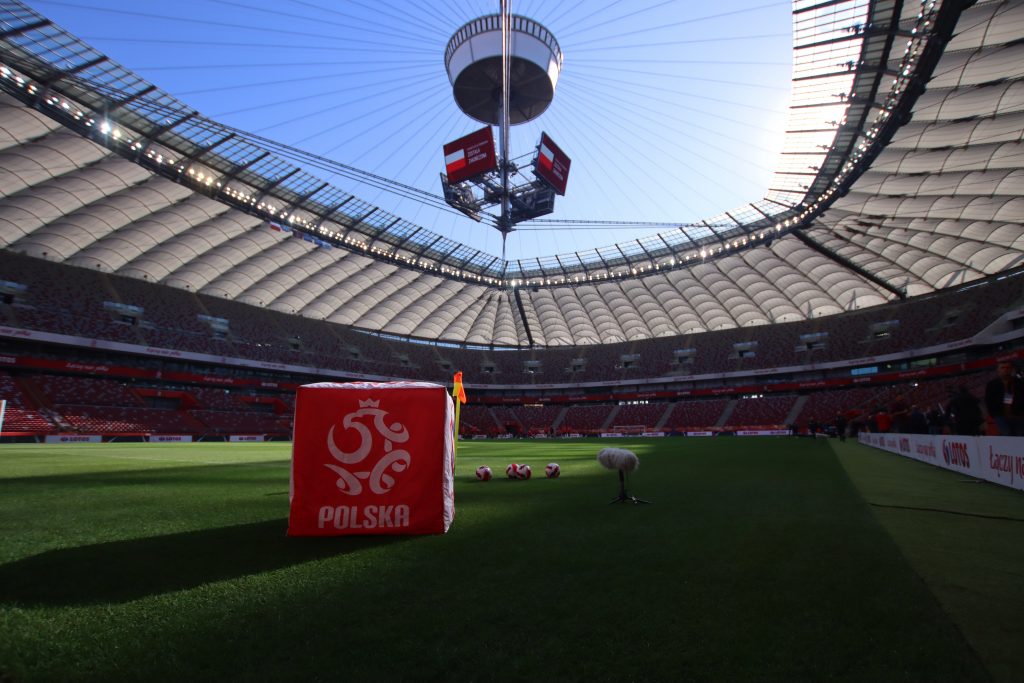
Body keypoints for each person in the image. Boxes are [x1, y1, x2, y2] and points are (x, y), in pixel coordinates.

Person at [984, 361, 1024, 436]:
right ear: (998, 370)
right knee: (1007, 435)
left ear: (1012, 369)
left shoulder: (1020, 382)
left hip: (1019, 416)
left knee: (1020, 437)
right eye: (1002, 367)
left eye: (1007, 367)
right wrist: (994, 414)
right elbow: (989, 400)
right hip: (1001, 416)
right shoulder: (992, 384)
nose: (1005, 369)